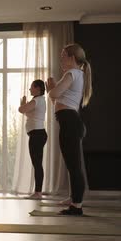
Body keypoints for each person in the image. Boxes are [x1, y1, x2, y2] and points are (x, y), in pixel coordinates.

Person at [45, 43, 92, 215]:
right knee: (72, 165)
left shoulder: (71, 73)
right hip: (70, 122)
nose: (61, 59)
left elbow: (54, 94)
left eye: (63, 55)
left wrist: (51, 87)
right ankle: (74, 198)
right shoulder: (76, 74)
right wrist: (52, 91)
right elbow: (56, 102)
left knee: (74, 166)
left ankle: (76, 206)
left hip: (71, 123)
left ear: (72, 58)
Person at [18, 80, 48, 199]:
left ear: (37, 88)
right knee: (37, 164)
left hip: (37, 135)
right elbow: (29, 114)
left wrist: (23, 103)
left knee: (37, 164)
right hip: (37, 134)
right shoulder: (39, 101)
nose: (30, 89)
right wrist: (24, 105)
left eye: (31, 87)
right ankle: (38, 192)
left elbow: (21, 110)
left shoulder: (37, 100)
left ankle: (38, 193)